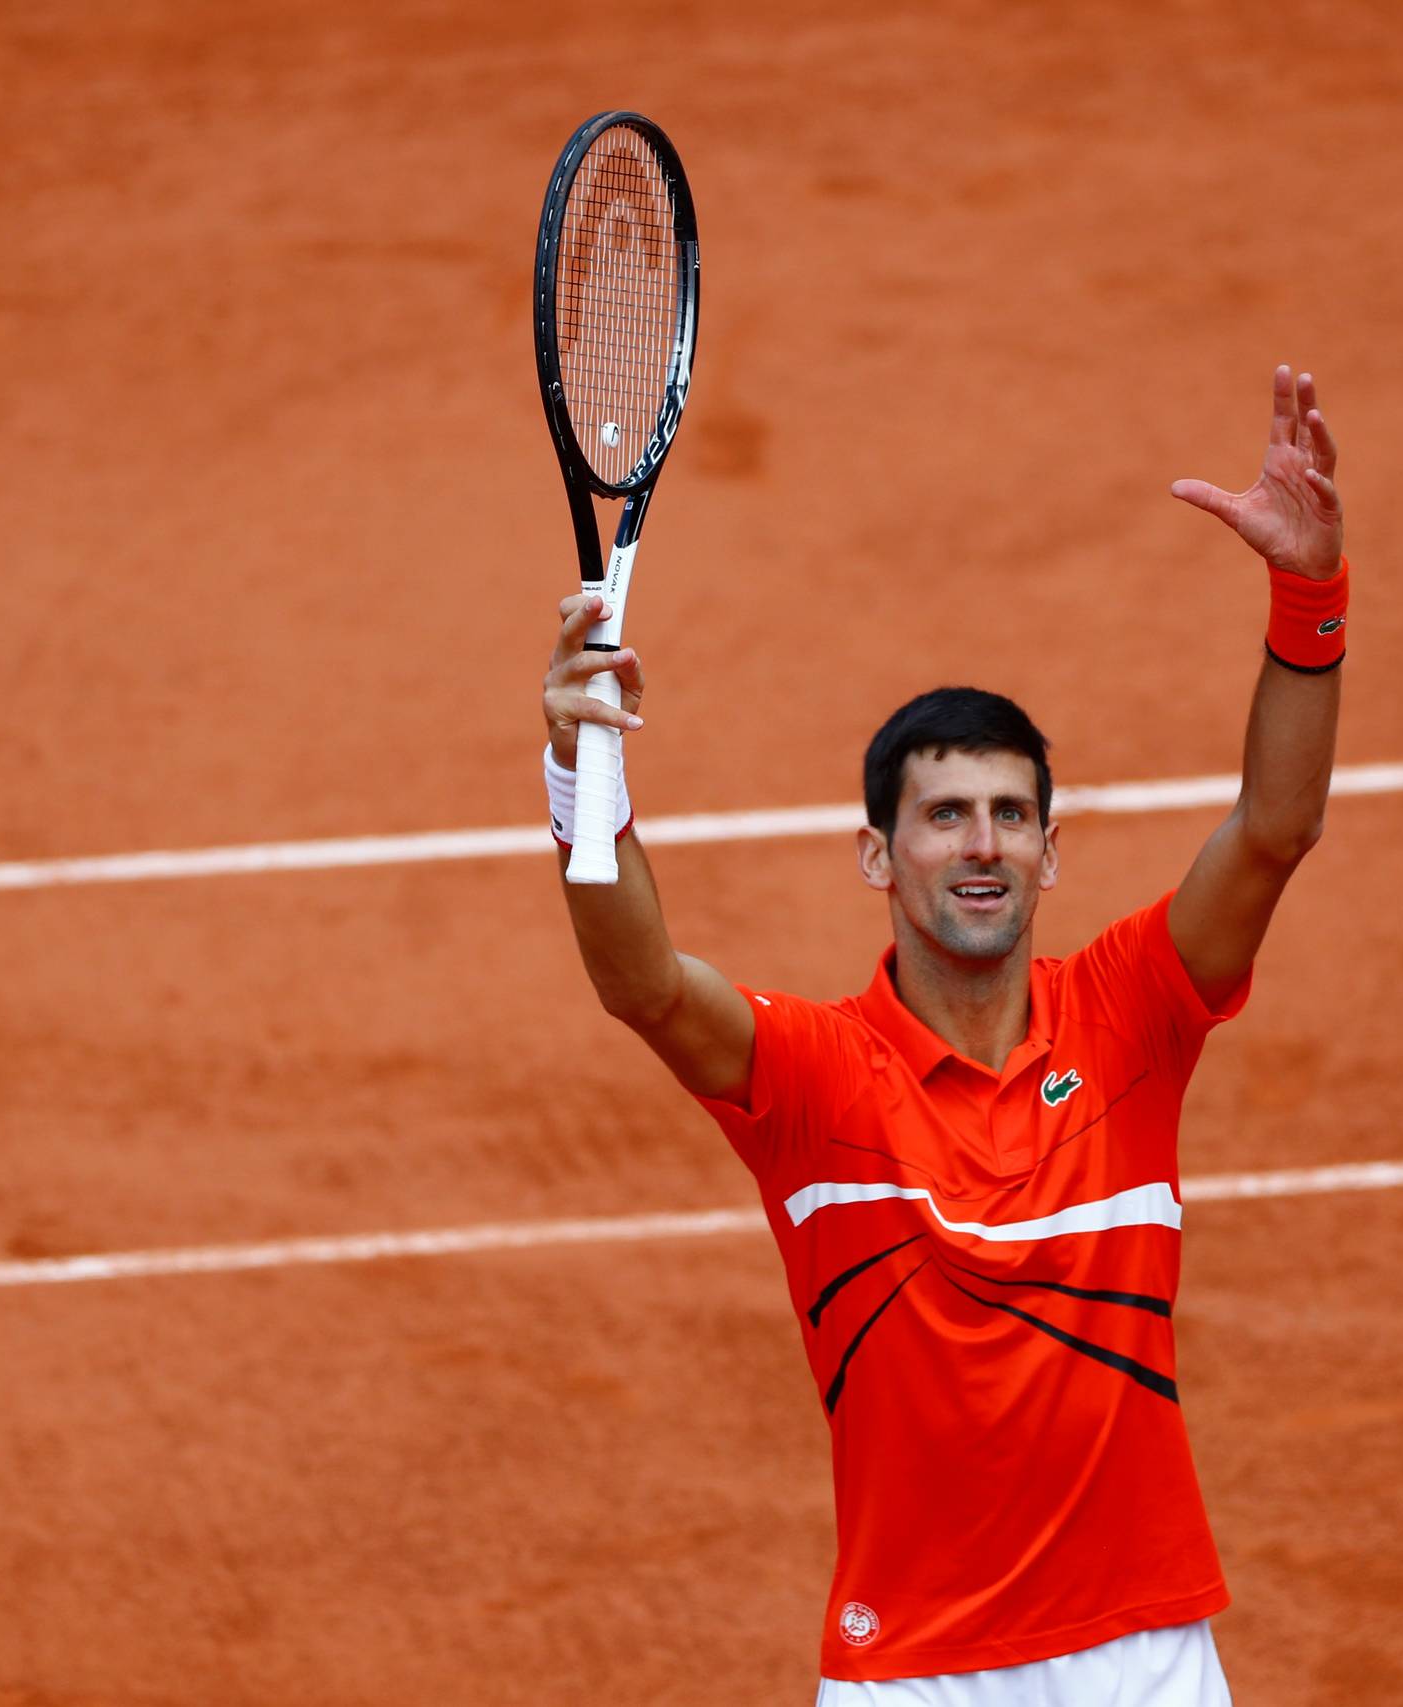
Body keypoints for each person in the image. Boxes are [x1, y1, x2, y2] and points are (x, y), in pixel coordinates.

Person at [540, 366, 1348, 1704]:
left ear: (1049, 850)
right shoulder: (810, 1076)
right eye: (945, 815)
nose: (982, 845)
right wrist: (579, 776)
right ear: (877, 853)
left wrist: (1309, 600)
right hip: (915, 1676)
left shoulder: (1134, 1009)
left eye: (1010, 815)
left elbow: (1276, 830)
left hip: (1143, 1657)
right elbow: (640, 985)